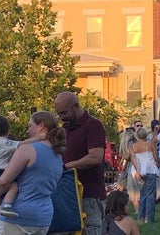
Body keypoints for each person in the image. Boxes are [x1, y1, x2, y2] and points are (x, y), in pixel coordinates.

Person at [0, 111, 64, 234]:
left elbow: (4, 181)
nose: (27, 131)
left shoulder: (28, 150)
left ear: (41, 125)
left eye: (30, 126)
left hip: (17, 215)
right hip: (43, 216)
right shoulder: (57, 155)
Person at [54, 91, 107, 235]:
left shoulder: (93, 125)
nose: (62, 118)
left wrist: (67, 166)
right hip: (67, 194)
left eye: (64, 113)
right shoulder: (65, 129)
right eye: (59, 114)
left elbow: (95, 157)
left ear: (76, 106)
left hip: (89, 194)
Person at [129, 127, 160, 223]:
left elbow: (133, 158)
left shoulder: (133, 146)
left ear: (137, 136)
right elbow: (156, 157)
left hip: (138, 171)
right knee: (150, 195)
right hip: (150, 170)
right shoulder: (150, 145)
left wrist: (137, 170)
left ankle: (140, 218)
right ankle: (149, 218)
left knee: (142, 194)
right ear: (146, 135)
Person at [117, 123, 140, 213]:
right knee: (121, 186)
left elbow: (128, 156)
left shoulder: (129, 143)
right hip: (129, 167)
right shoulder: (135, 142)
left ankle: (137, 210)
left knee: (132, 189)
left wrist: (123, 159)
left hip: (130, 167)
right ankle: (121, 205)